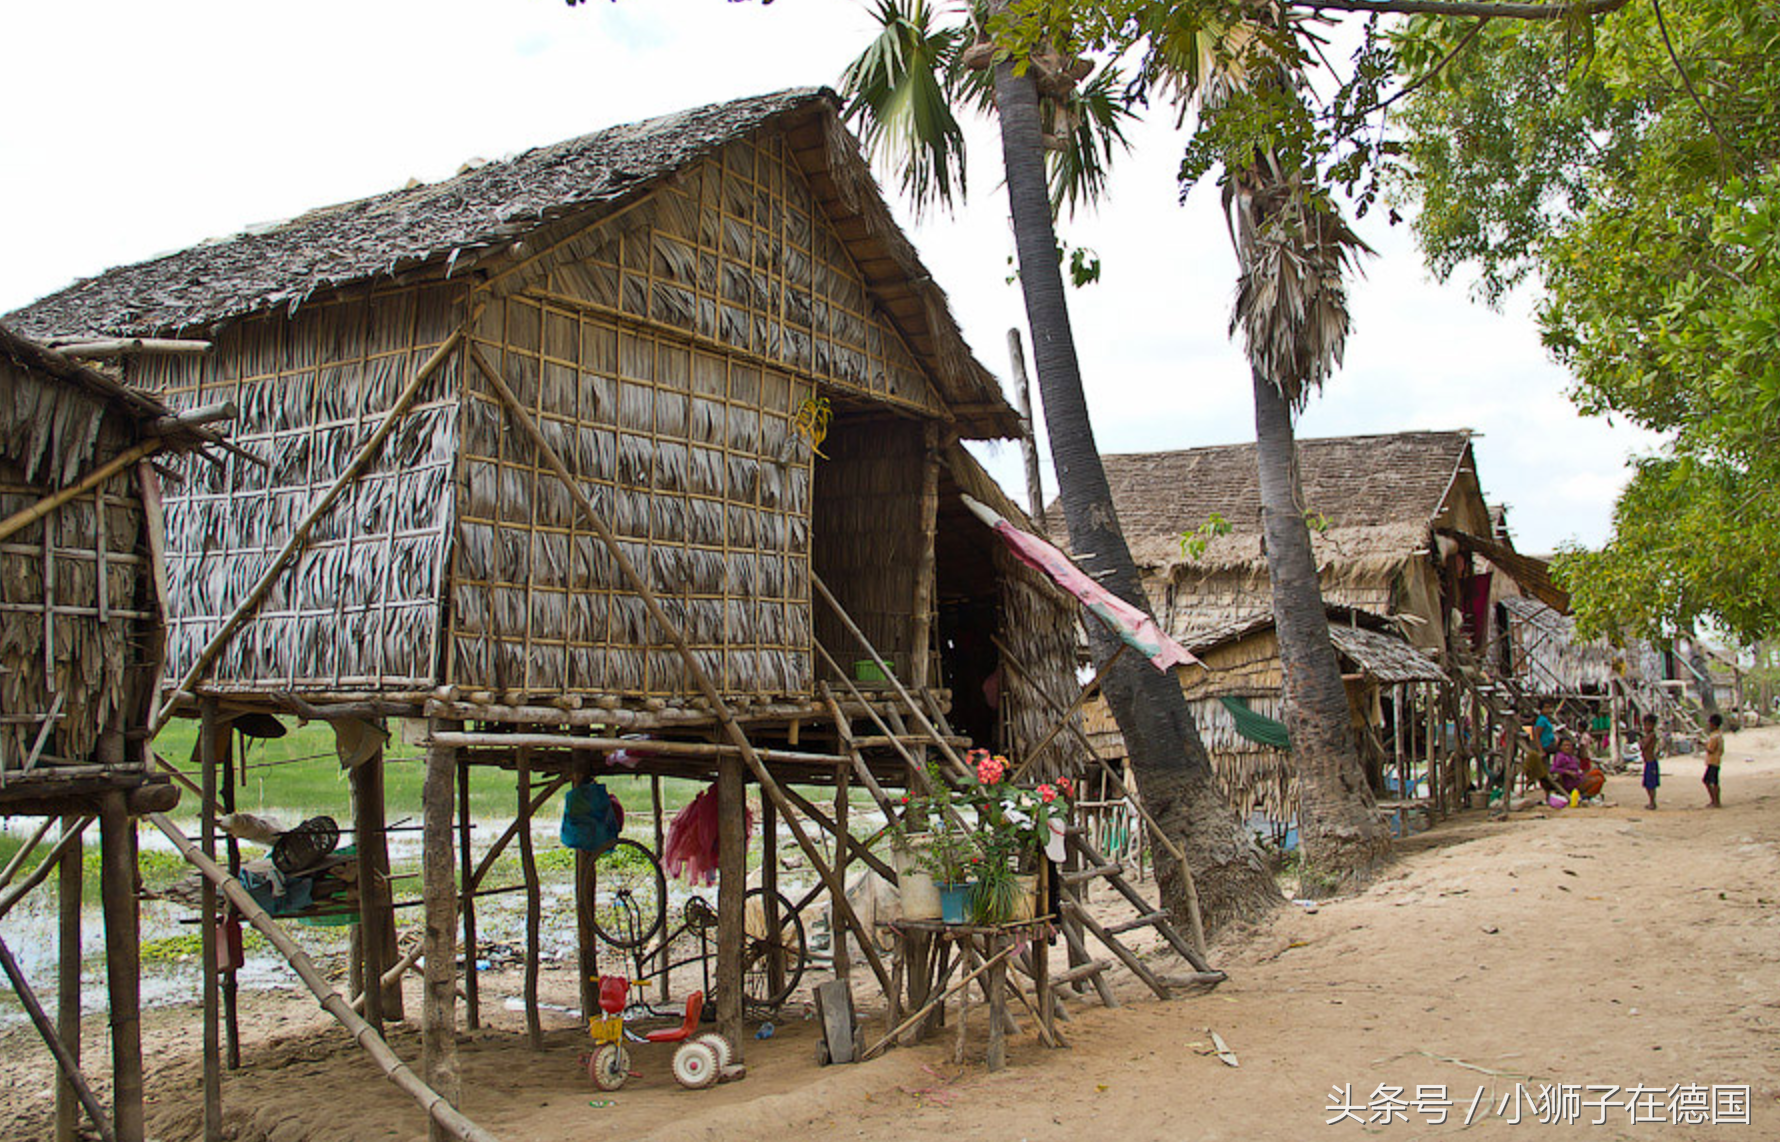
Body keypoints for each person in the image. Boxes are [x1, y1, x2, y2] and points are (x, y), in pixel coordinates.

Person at [1640, 713, 1661, 810]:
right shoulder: (1648, 735)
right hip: (1647, 762)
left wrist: (1641, 740)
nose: (1646, 727)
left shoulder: (1652, 735)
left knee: (1651, 784)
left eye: (1648, 725)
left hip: (1651, 762)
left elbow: (1644, 746)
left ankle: (1653, 802)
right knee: (1647, 784)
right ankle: (1651, 801)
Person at [1703, 713, 1724, 808]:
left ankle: (1714, 800)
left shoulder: (1714, 737)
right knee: (1715, 782)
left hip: (1712, 761)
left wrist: (1703, 745)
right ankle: (1716, 801)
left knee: (1707, 780)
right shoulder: (1719, 735)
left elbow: (1711, 749)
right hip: (1716, 760)